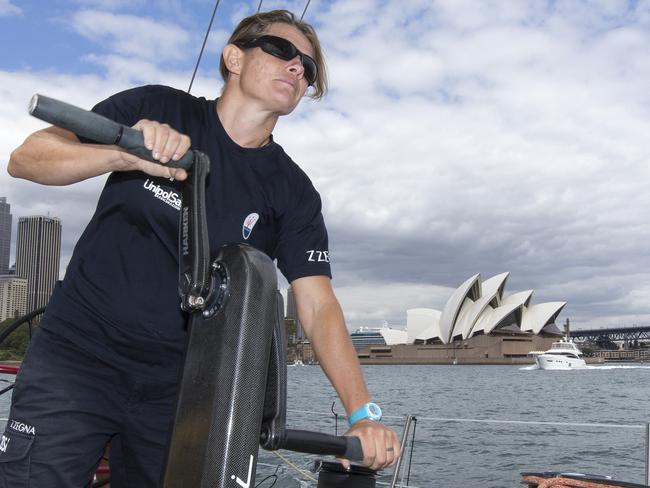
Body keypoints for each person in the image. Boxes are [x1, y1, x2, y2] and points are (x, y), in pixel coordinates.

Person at [2, 9, 400, 487]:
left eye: (308, 68)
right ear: (233, 57)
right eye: (281, 51)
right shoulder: (157, 107)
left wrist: (363, 412)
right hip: (78, 358)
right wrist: (124, 153)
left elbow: (317, 304)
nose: (297, 68)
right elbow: (27, 159)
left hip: (181, 390)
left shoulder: (292, 191)